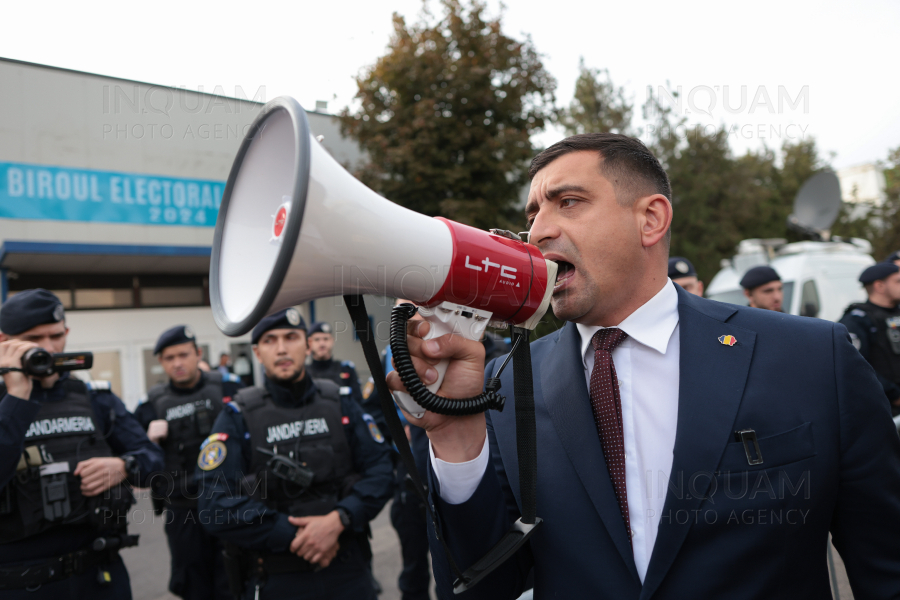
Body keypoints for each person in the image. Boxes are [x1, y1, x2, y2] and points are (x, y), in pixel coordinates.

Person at [387, 133, 900, 598]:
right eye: (532, 215)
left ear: (650, 219)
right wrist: (455, 440)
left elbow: (885, 565)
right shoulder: (503, 383)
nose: (538, 231)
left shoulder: (812, 358)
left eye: (568, 202)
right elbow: (480, 585)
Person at [196, 308, 393, 600]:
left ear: (308, 345)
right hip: (277, 576)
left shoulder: (340, 403)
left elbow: (382, 470)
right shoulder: (237, 415)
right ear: (257, 353)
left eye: (291, 337)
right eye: (270, 340)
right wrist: (293, 534)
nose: (282, 348)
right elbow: (213, 504)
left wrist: (340, 518)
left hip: (348, 570)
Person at [0, 289, 165, 598]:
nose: (49, 348)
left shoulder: (96, 398)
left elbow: (154, 461)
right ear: (4, 341)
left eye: (56, 335)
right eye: (34, 338)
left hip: (99, 577)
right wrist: (17, 398)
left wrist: (124, 466)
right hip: (22, 586)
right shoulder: (5, 405)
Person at [132, 325, 244, 600]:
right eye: (169, 358)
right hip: (184, 512)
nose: (177, 363)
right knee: (193, 586)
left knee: (237, 579)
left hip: (231, 504)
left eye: (183, 355)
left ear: (198, 353)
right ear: (161, 362)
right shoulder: (151, 405)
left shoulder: (229, 388)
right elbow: (136, 465)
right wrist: (149, 442)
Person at [839, 262, 900, 415]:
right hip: (885, 408)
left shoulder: (896, 312)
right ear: (879, 286)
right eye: (898, 281)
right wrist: (895, 394)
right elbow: (855, 367)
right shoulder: (857, 320)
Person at [306, 321, 365, 405]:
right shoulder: (304, 373)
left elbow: (358, 402)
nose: (322, 344)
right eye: (317, 339)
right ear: (309, 343)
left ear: (332, 341)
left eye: (326, 339)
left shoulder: (346, 369)